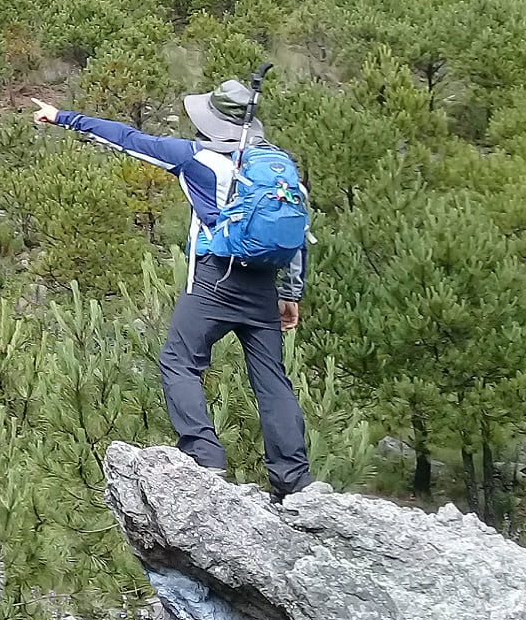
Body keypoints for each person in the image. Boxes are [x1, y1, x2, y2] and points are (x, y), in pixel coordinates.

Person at [30, 80, 316, 501]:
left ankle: (204, 458)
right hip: (263, 287)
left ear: (212, 121)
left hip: (215, 278)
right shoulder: (279, 168)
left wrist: (63, 117)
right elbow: (297, 235)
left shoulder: (195, 158)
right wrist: (291, 294)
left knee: (179, 362)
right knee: (272, 379)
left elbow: (129, 140)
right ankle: (294, 480)